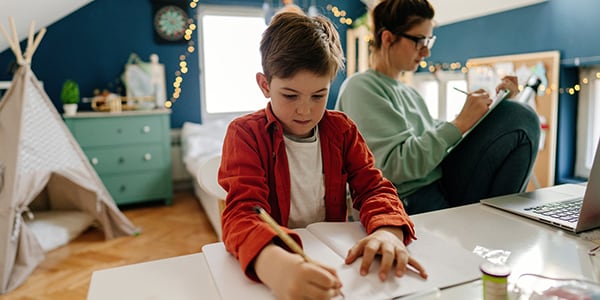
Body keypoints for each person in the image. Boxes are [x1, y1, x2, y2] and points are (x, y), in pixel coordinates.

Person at [218, 12, 427, 300]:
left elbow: (374, 188)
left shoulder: (341, 130)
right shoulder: (245, 134)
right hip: (280, 258)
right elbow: (243, 212)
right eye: (290, 96)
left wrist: (388, 233)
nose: (305, 111)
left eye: (318, 96)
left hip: (335, 258)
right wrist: (275, 266)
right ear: (265, 85)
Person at [335, 0, 541, 215]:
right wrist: (459, 123)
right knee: (519, 117)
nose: (425, 52)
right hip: (407, 200)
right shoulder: (361, 87)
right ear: (388, 38)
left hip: (435, 187)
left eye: (428, 42)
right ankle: (501, 222)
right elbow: (392, 167)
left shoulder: (409, 92)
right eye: (419, 41)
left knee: (514, 115)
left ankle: (501, 222)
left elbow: (437, 144)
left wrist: (491, 108)